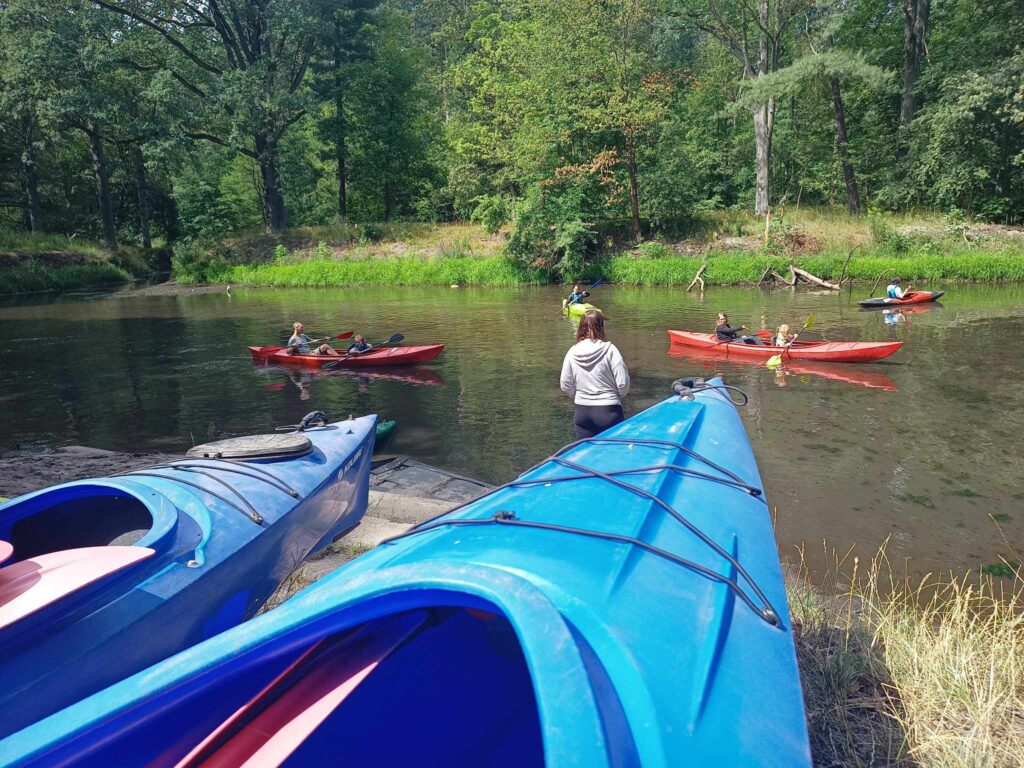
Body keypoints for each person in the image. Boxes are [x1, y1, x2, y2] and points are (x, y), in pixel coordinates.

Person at [560, 310, 630, 440]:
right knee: (613, 454)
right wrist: (615, 396)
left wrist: (579, 395)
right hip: (609, 411)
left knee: (584, 456)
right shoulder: (610, 350)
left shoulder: (572, 352)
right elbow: (623, 383)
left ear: (581, 327)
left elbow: (565, 384)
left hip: (582, 413)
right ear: (601, 326)